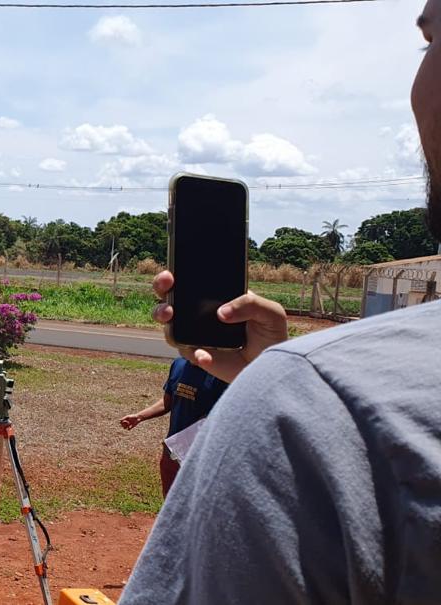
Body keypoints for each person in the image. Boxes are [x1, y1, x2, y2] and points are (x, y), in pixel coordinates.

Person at [122, 6, 441, 601]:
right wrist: (258, 377)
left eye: (431, 43)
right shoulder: (238, 380)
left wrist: (277, 386)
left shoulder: (307, 411)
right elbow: (170, 400)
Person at [119, 357, 227, 497]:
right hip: (174, 448)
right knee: (170, 499)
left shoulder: (221, 371)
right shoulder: (179, 364)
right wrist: (140, 416)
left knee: (197, 502)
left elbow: (221, 413)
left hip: (202, 453)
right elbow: (168, 401)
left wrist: (187, 439)